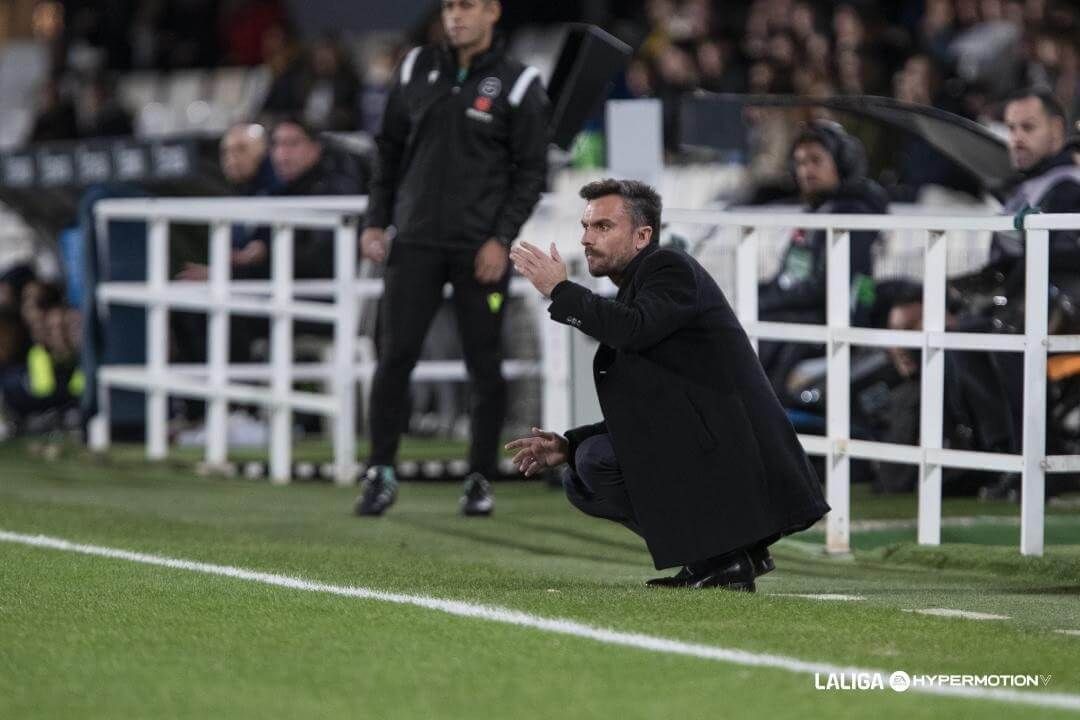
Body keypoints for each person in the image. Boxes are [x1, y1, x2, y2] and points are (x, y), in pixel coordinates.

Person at [507, 179, 829, 590]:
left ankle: (726, 556)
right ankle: (720, 558)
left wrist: (560, 291)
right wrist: (568, 444)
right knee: (579, 472)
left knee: (596, 462)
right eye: (586, 227)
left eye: (602, 227)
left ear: (643, 236)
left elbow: (633, 330)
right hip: (705, 447)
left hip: (734, 457)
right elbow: (652, 409)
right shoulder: (637, 288)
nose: (586, 239)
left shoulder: (670, 268)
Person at [356, 0, 549, 517]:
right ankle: (380, 470)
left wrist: (500, 239)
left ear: (493, 11)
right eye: (448, 6)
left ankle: (480, 477)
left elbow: (532, 173)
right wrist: (375, 220)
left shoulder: (520, 82)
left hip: (477, 249)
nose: (454, 16)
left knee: (483, 365)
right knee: (394, 357)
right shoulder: (416, 66)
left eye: (466, 5)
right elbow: (388, 150)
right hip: (414, 242)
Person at [757, 120, 888, 402]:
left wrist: (766, 299)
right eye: (800, 163)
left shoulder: (852, 214)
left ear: (842, 163)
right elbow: (790, 278)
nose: (806, 171)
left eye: (816, 160)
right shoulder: (817, 214)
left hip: (836, 320)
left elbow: (826, 288)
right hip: (803, 313)